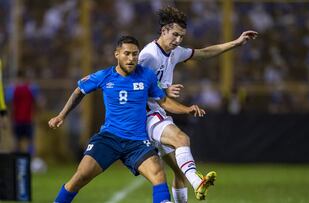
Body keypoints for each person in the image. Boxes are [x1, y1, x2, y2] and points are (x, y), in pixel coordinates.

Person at [48, 36, 206, 203]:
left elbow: (164, 101)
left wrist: (186, 109)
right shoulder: (105, 76)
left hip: (137, 142)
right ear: (117, 54)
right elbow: (79, 91)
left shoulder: (147, 76)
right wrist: (61, 115)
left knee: (159, 175)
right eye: (127, 54)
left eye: (135, 54)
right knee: (80, 177)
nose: (131, 59)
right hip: (109, 138)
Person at [138, 6, 258, 202]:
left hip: (157, 111)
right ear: (163, 30)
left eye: (181, 37)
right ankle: (198, 182)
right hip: (146, 115)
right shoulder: (148, 55)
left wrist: (236, 43)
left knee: (178, 172)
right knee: (182, 140)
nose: (178, 40)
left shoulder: (174, 52)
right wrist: (163, 90)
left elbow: (203, 53)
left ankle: (193, 182)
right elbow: (134, 85)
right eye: (175, 35)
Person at [6, 69, 40, 155]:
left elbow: (9, 103)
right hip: (28, 119)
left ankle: (15, 160)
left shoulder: (12, 88)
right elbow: (38, 103)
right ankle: (30, 160)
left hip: (17, 120)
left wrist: (10, 117)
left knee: (16, 141)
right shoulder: (32, 88)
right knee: (30, 141)